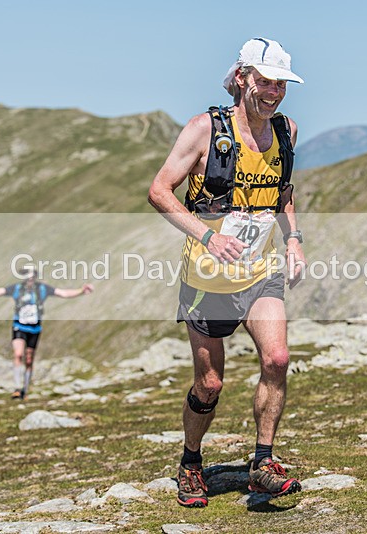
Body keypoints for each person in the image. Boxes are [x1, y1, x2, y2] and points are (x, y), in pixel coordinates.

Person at [148, 37, 306, 508]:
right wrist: (207, 236)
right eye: (265, 82)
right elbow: (159, 191)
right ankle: (191, 462)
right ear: (242, 78)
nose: (273, 93)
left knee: (276, 359)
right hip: (207, 280)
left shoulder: (286, 131)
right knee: (209, 384)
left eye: (281, 84)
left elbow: (282, 192)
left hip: (260, 272)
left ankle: (263, 463)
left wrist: (293, 239)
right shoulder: (204, 129)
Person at [0, 266, 93, 399]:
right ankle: (17, 388)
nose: (30, 276)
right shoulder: (17, 288)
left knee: (29, 359)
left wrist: (81, 291)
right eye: (27, 274)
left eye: (32, 274)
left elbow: (63, 293)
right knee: (18, 354)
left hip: (34, 328)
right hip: (19, 326)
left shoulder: (42, 289)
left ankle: (25, 389)